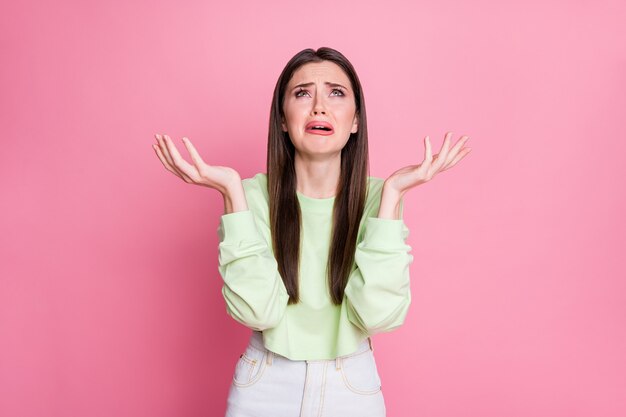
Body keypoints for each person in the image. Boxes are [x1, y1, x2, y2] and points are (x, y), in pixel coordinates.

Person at [152, 47, 471, 417]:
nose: (319, 106)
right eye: (302, 93)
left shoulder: (378, 198)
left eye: (336, 93)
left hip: (352, 386)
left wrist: (394, 194)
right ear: (283, 120)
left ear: (355, 121)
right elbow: (258, 313)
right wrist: (230, 190)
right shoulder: (251, 195)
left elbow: (376, 317)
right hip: (264, 384)